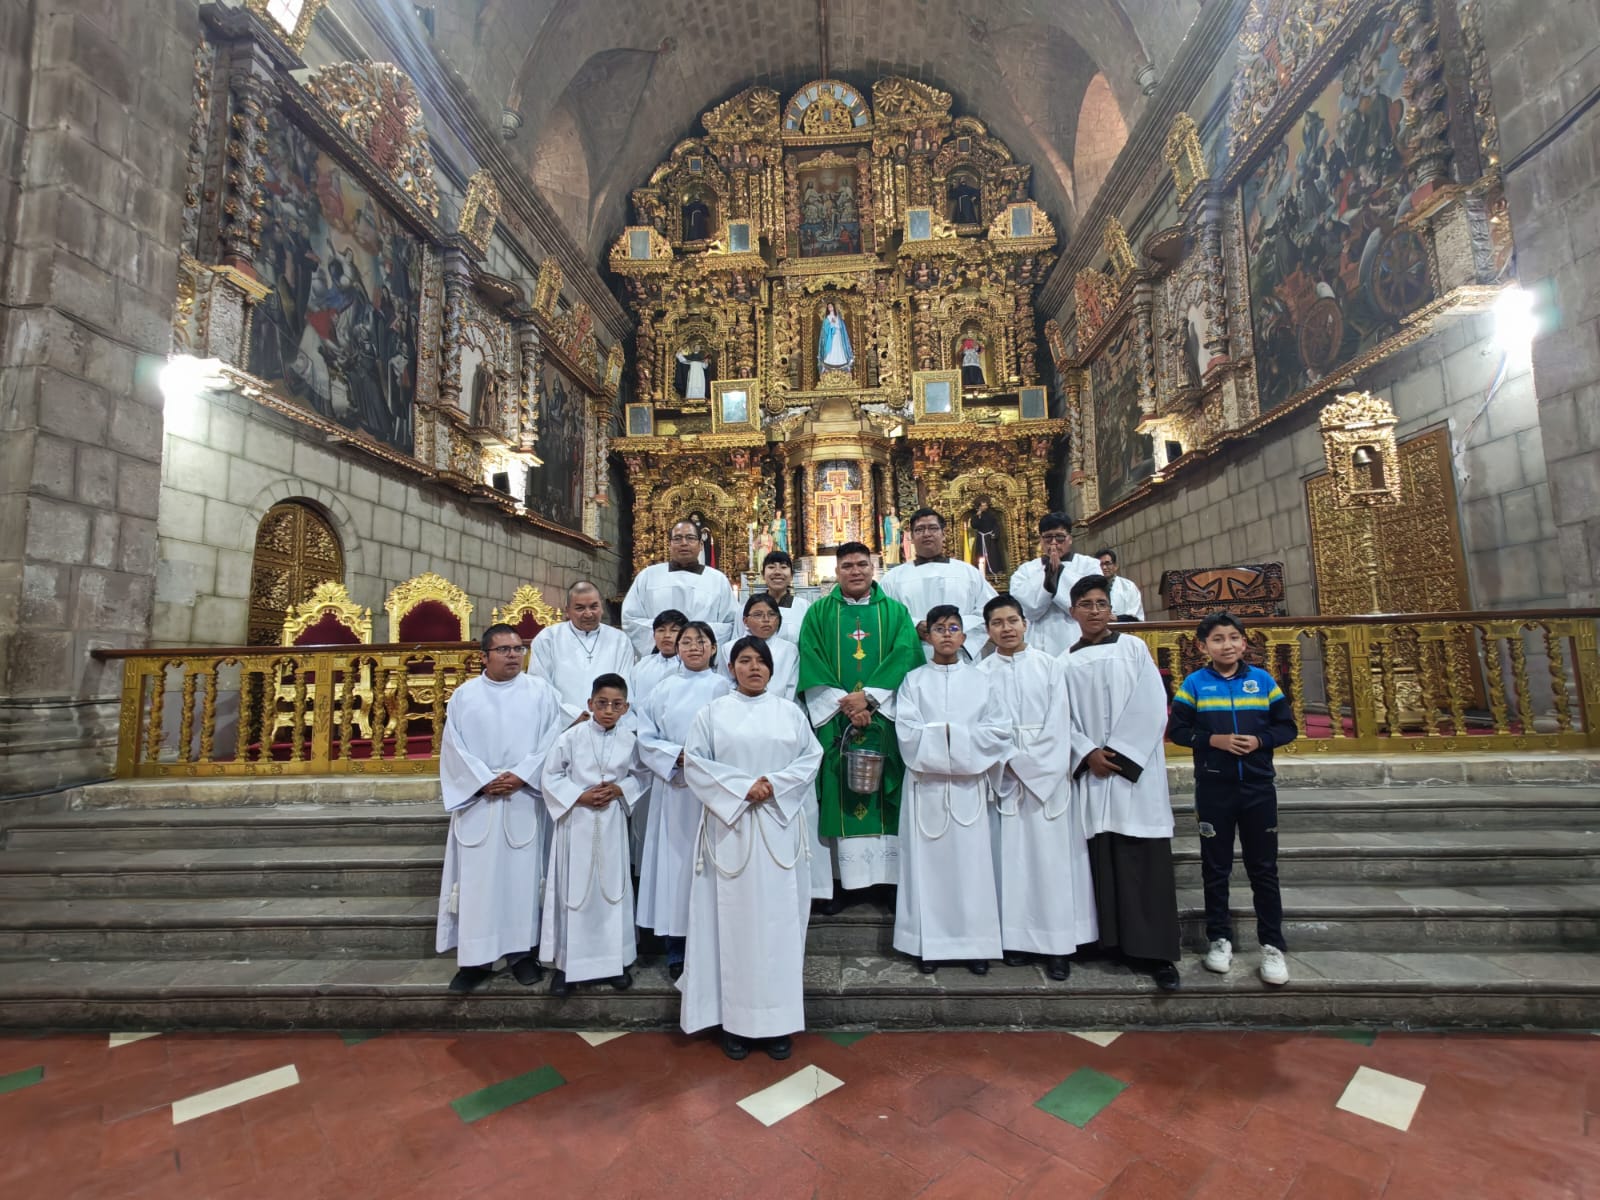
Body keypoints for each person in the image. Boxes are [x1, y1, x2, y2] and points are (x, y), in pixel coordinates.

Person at [679, 636, 823, 1060]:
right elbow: (696, 762)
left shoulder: (790, 714)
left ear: (772, 669)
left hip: (778, 831)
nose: (754, 667)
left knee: (778, 925)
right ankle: (734, 1023)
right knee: (730, 925)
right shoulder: (712, 714)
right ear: (731, 667)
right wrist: (744, 787)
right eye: (744, 660)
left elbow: (809, 759)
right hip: (731, 830)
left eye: (761, 661)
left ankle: (777, 1022)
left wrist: (773, 785)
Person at [1063, 576, 1183, 991]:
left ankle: (1156, 953)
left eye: (1100, 603)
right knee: (1101, 855)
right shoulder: (1064, 661)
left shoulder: (1133, 648)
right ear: (1072, 611)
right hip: (1092, 773)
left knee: (1141, 857)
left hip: (1134, 774)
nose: (1094, 610)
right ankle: (1108, 943)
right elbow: (1061, 720)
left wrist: (1119, 754)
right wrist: (1085, 753)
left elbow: (1152, 703)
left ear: (1110, 608)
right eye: (1085, 603)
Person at [1167, 611, 1299, 987]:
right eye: (1218, 639)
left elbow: (1286, 726)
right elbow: (1178, 730)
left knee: (1264, 870)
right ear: (1202, 646)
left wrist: (1260, 741)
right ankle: (1219, 939)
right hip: (1214, 789)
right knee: (1216, 867)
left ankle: (1272, 945)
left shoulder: (1262, 681)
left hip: (1258, 788)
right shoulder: (1195, 683)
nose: (1227, 645)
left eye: (1233, 638)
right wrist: (1214, 740)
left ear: (1244, 642)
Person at [435, 623, 565, 993]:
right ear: (484, 657)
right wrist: (481, 780)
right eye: (504, 649)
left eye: (518, 648)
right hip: (480, 799)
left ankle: (521, 954)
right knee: (477, 884)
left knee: (523, 880)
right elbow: (453, 746)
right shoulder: (464, 695)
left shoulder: (541, 692)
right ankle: (475, 960)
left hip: (523, 797)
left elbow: (552, 741)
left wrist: (523, 775)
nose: (513, 655)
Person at [796, 541, 923, 909]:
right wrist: (848, 705)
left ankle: (888, 883)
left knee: (885, 797)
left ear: (873, 568)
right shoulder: (818, 613)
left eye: (862, 565)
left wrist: (869, 698)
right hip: (837, 721)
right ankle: (841, 883)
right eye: (848, 565)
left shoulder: (896, 613)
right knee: (837, 795)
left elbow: (907, 656)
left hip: (882, 719)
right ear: (836, 572)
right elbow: (811, 658)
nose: (855, 571)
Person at [978, 594, 1097, 981]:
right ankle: (1015, 938)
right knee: (1010, 861)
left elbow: (1061, 722)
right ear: (988, 629)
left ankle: (1057, 944)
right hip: (1006, 778)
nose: (1006, 628)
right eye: (997, 623)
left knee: (1051, 863)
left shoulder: (1050, 666)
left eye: (1012, 620)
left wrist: (1032, 766)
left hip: (1047, 777)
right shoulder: (980, 674)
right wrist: (1008, 762)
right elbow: (982, 729)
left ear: (1025, 623)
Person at [893, 605, 1012, 974]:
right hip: (926, 788)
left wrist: (950, 736)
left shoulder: (981, 681)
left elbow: (998, 730)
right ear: (926, 635)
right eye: (939, 628)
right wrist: (952, 738)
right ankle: (928, 945)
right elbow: (907, 731)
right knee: (927, 868)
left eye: (954, 628)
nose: (946, 634)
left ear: (964, 636)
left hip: (969, 788)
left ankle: (975, 944)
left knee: (972, 866)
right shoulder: (913, 681)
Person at [636, 621, 732, 978]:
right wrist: (675, 755)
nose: (693, 647)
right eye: (686, 641)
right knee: (675, 869)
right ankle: (677, 950)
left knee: (711, 867)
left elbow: (734, 736)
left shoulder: (726, 688)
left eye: (701, 641)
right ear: (676, 648)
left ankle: (714, 947)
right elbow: (645, 737)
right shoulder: (663, 689)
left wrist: (705, 761)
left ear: (712, 648)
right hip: (675, 790)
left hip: (713, 795)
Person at [539, 673, 644, 997]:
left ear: (626, 707)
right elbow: (551, 774)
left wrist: (619, 788)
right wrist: (578, 796)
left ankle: (615, 962)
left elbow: (641, 776)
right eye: (602, 703)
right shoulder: (569, 737)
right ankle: (567, 965)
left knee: (611, 890)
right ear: (590, 704)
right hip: (576, 820)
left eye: (616, 705)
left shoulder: (630, 740)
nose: (608, 710)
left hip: (611, 821)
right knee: (574, 892)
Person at [881, 508, 996, 661]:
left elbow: (990, 612)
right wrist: (915, 626)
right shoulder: (893, 578)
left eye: (933, 528)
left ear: (943, 534)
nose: (927, 534)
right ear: (912, 538)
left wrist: (954, 628)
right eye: (919, 529)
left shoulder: (968, 572)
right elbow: (884, 616)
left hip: (962, 657)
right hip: (914, 656)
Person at [624, 609, 687, 869]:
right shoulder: (641, 668)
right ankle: (642, 872)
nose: (666, 636)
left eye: (673, 630)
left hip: (682, 756)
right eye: (661, 630)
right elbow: (629, 707)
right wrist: (645, 739)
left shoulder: (692, 667)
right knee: (644, 816)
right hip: (646, 750)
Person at [621, 517, 739, 655]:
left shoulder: (717, 580)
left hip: (700, 660)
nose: (684, 543)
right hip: (659, 659)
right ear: (669, 544)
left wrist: (691, 637)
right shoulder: (648, 576)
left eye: (690, 538)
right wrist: (668, 635)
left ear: (701, 544)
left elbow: (730, 625)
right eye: (677, 538)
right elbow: (631, 620)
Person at [528, 581, 637, 723]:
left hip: (609, 722)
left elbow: (625, 684)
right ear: (567, 610)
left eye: (594, 606)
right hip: (563, 724)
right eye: (580, 608)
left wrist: (605, 715)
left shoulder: (620, 640)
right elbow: (540, 687)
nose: (588, 613)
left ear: (602, 607)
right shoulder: (547, 639)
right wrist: (573, 715)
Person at [1009, 513, 1103, 656]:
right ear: (1041, 540)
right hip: (1038, 641)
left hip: (1076, 635)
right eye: (1048, 537)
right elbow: (1027, 609)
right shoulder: (1025, 571)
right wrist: (1048, 576)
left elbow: (1087, 602)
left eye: (1059, 537)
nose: (1054, 543)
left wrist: (1059, 572)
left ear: (1070, 539)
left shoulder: (1089, 565)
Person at [729, 594, 799, 701]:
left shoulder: (789, 650)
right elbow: (727, 685)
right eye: (758, 615)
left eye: (771, 614)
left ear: (779, 619)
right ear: (745, 621)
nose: (766, 619)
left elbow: (792, 688)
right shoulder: (729, 648)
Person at [760, 550, 810, 644]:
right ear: (763, 574)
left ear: (791, 575)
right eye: (771, 567)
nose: (777, 572)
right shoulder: (750, 608)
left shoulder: (804, 607)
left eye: (783, 567)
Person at [1095, 548, 1147, 621]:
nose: (1104, 567)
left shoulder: (1128, 586)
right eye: (1100, 564)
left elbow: (1135, 614)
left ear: (1115, 566)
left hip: (1123, 628)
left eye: (1107, 563)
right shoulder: (1091, 588)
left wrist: (1116, 618)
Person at [968, 498, 1006, 575]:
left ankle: (995, 570)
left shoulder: (991, 514)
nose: (985, 507)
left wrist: (995, 533)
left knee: (993, 554)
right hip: (981, 538)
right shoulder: (976, 516)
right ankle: (983, 571)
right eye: (983, 506)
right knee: (981, 554)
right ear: (979, 506)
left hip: (990, 538)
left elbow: (996, 525)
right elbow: (974, 526)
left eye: (986, 505)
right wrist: (977, 517)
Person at [819, 301, 854, 371]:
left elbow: (841, 327)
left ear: (834, 307)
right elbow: (825, 329)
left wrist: (835, 324)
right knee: (831, 347)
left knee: (839, 347)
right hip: (831, 336)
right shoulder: (827, 318)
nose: (830, 308)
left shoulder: (838, 317)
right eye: (829, 307)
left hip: (838, 335)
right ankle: (829, 360)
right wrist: (831, 325)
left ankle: (840, 360)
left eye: (831, 306)